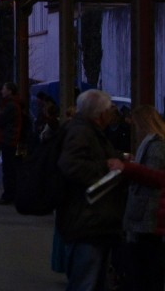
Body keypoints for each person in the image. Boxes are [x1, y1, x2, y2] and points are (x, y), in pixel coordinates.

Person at [56, 88, 126, 291]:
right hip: (87, 221)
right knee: (85, 282)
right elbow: (71, 166)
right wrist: (108, 165)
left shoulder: (85, 131)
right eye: (110, 109)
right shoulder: (83, 133)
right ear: (100, 113)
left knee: (91, 282)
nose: (113, 113)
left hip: (92, 221)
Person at [106, 105, 165, 291]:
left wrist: (127, 168)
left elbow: (156, 176)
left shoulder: (156, 145)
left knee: (143, 269)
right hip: (149, 214)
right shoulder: (155, 143)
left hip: (148, 214)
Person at [0, 81, 26, 204]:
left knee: (8, 170)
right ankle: (15, 194)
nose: (2, 91)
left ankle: (8, 195)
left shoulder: (10, 105)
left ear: (10, 91)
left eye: (4, 88)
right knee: (17, 168)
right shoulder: (17, 104)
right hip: (18, 141)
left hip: (9, 140)